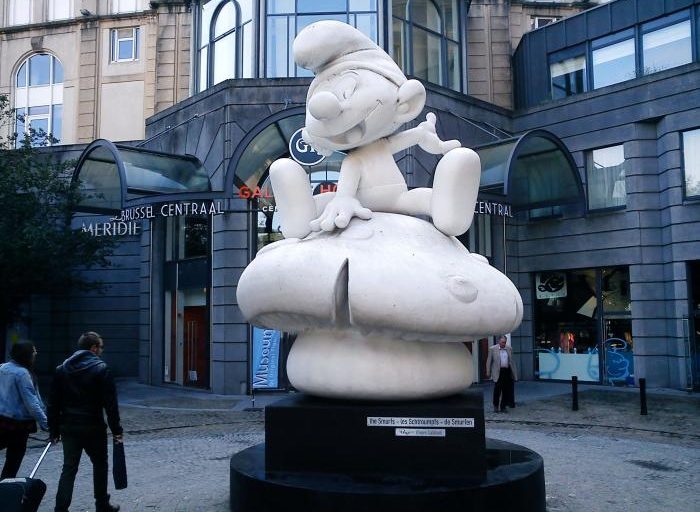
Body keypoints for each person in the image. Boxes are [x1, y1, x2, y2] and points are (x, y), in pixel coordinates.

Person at [48, 331, 123, 512]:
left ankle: (60, 508)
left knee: (69, 468)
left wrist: (54, 430)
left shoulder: (62, 369)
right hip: (93, 426)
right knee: (100, 465)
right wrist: (117, 430)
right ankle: (102, 504)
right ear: (94, 348)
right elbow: (110, 405)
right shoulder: (102, 369)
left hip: (69, 426)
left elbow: (53, 403)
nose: (102, 351)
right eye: (101, 347)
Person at [0, 340, 48, 478]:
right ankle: (5, 486)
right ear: (26, 355)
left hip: (2, 419)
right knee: (13, 460)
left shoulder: (2, 368)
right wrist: (46, 424)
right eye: (33, 351)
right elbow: (32, 403)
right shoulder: (22, 374)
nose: (36, 353)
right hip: (18, 425)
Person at [485, 335, 518, 413]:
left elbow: (512, 361)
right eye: (502, 342)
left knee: (506, 389)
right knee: (497, 389)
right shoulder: (492, 349)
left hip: (507, 371)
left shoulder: (509, 348)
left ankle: (503, 406)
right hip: (498, 371)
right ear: (499, 341)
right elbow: (489, 361)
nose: (504, 344)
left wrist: (514, 373)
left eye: (505, 342)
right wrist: (488, 372)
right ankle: (496, 406)